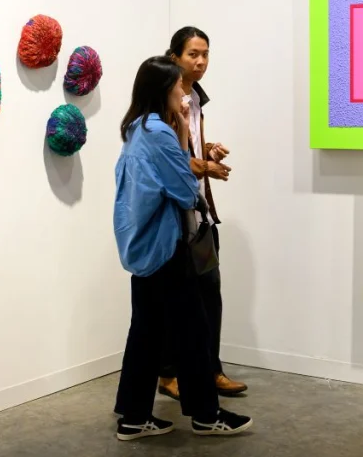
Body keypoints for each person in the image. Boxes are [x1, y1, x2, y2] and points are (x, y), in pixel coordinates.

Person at [112, 56, 252, 441]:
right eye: (178, 86)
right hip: (167, 248)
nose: (184, 93)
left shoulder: (136, 129)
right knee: (192, 332)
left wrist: (188, 141)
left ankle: (133, 416)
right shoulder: (159, 132)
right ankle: (206, 415)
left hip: (144, 247)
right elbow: (185, 190)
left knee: (146, 333)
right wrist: (192, 156)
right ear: (164, 90)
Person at [156, 27, 248, 402]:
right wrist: (204, 166)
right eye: (193, 54)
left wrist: (207, 150)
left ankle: (211, 369)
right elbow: (170, 158)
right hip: (174, 216)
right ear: (174, 57)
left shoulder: (194, 98)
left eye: (205, 54)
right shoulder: (164, 100)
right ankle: (168, 373)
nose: (201, 61)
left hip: (199, 213)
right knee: (175, 299)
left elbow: (188, 147)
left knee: (209, 294)